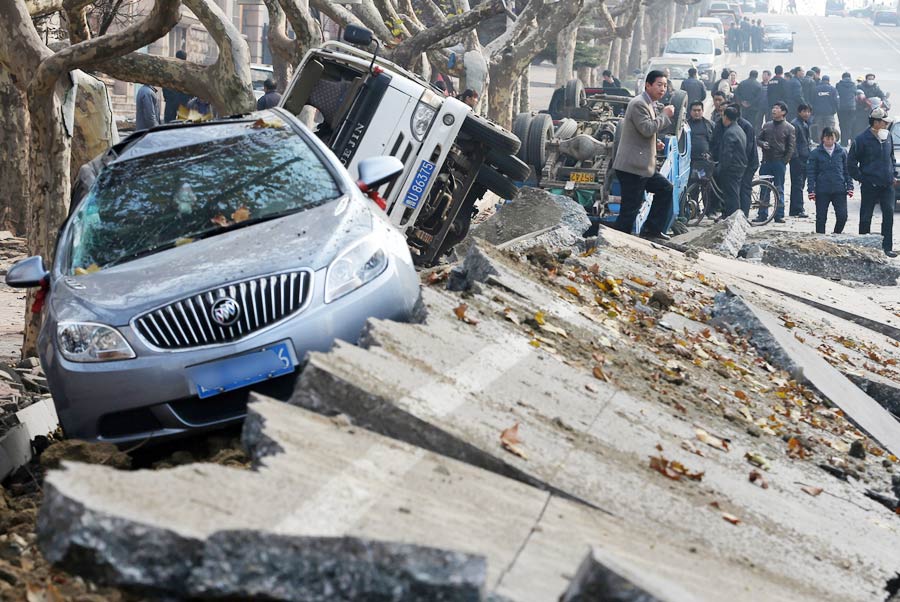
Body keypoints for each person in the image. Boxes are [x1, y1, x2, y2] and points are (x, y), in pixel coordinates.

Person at [611, 70, 676, 239]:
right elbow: (647, 129)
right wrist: (665, 116)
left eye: (665, 86)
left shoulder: (649, 103)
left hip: (642, 166)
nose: (663, 89)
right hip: (632, 167)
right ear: (648, 85)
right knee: (629, 210)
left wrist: (655, 143)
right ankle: (617, 241)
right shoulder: (639, 103)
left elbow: (642, 132)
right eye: (659, 85)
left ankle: (652, 230)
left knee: (665, 189)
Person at [848, 107, 897, 257]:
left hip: (887, 184)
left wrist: (893, 174)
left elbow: (891, 158)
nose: (886, 125)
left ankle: (886, 247)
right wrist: (863, 179)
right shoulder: (861, 139)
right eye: (883, 122)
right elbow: (851, 163)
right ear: (875, 122)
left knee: (888, 214)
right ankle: (864, 248)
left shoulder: (888, 136)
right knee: (866, 216)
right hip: (870, 185)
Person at [755, 101, 796, 223]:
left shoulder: (789, 128)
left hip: (779, 163)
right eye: (773, 108)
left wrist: (784, 161)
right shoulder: (766, 125)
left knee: (779, 188)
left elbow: (791, 148)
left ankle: (779, 214)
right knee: (764, 188)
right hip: (766, 162)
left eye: (777, 108)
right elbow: (758, 139)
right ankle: (762, 214)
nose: (774, 110)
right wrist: (763, 144)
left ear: (783, 112)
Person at [807, 127, 853, 234]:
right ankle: (820, 240)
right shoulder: (815, 153)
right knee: (821, 218)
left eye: (832, 138)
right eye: (827, 138)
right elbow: (811, 173)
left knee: (842, 216)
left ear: (836, 138)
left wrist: (850, 186)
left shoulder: (842, 152)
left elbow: (847, 171)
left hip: (839, 189)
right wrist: (811, 190)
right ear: (823, 138)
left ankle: (836, 234)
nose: (830, 141)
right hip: (822, 190)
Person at [715, 106, 748, 217]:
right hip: (739, 166)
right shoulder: (739, 129)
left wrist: (721, 168)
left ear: (726, 117)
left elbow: (727, 154)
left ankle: (734, 218)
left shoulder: (730, 132)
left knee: (732, 196)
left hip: (732, 168)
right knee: (733, 194)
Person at [789, 104, 812, 217]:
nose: (807, 114)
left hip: (805, 157)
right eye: (804, 111)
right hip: (798, 159)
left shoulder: (805, 123)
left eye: (808, 112)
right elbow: (793, 143)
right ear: (799, 112)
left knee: (800, 184)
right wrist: (796, 158)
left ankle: (795, 209)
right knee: (797, 184)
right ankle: (798, 209)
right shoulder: (795, 124)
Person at [162, 50, 191, 123]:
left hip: (171, 100)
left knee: (169, 123)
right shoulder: (188, 70)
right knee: (184, 123)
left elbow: (164, 84)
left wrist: (167, 97)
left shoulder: (169, 68)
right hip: (184, 101)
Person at [810, 74, 838, 142]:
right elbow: (836, 101)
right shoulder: (833, 89)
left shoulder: (816, 89)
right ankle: (831, 142)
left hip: (818, 113)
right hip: (829, 113)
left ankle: (821, 143)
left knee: (820, 129)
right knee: (831, 129)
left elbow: (812, 101)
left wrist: (814, 111)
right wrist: (834, 111)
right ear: (828, 81)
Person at [836, 72, 857, 147]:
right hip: (852, 108)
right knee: (850, 124)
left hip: (841, 108)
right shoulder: (854, 85)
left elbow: (836, 95)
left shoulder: (838, 85)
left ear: (842, 77)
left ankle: (844, 142)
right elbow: (855, 94)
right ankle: (851, 141)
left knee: (842, 124)